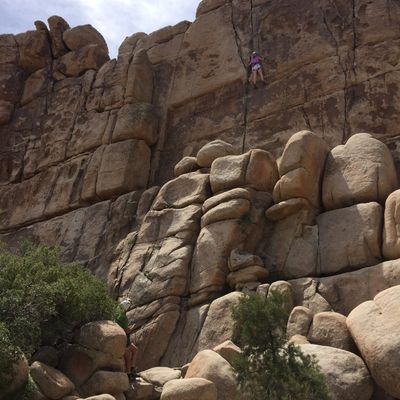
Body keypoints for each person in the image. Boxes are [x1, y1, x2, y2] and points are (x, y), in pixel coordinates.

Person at [116, 298, 138, 381]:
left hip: (122, 337)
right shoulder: (123, 317)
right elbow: (125, 330)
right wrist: (130, 329)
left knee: (135, 350)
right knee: (128, 357)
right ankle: (129, 375)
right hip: (124, 338)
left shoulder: (117, 312)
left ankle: (132, 369)